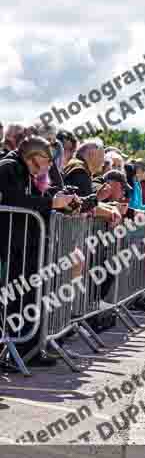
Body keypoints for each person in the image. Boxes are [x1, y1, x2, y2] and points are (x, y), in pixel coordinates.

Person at [0, 136, 80, 363]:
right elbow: (15, 200)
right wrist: (52, 204)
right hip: (12, 245)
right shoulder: (9, 168)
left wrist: (63, 204)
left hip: (26, 244)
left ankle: (30, 350)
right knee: (17, 298)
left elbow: (37, 199)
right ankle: (18, 351)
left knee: (31, 296)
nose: (49, 167)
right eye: (47, 161)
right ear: (33, 158)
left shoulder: (27, 171)